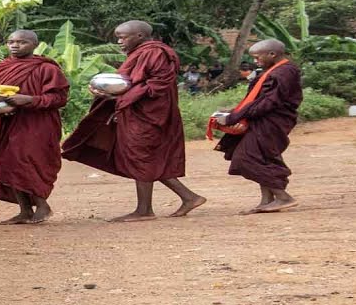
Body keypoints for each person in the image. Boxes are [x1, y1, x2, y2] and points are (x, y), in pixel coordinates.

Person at [62, 20, 206, 221]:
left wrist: (122, 95)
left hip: (151, 114)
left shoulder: (155, 52)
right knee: (143, 158)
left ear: (139, 36)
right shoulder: (140, 53)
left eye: (123, 37)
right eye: (118, 37)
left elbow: (157, 84)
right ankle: (189, 197)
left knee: (141, 157)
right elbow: (130, 83)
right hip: (136, 112)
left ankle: (145, 210)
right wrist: (109, 92)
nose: (119, 42)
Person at [0, 30, 69, 224]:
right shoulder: (1, 68)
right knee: (8, 162)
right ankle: (25, 210)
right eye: (11, 42)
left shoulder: (47, 69)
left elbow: (59, 98)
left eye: (21, 42)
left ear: (34, 45)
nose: (15, 45)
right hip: (9, 121)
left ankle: (42, 205)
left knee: (27, 160)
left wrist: (29, 99)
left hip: (38, 123)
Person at [211, 39, 303, 214]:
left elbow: (268, 102)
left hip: (272, 121)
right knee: (262, 157)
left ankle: (283, 197)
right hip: (262, 121)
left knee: (245, 158)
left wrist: (234, 117)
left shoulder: (284, 72)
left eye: (257, 57)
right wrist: (232, 112)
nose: (255, 61)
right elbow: (257, 99)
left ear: (272, 54)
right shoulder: (272, 70)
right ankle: (267, 200)